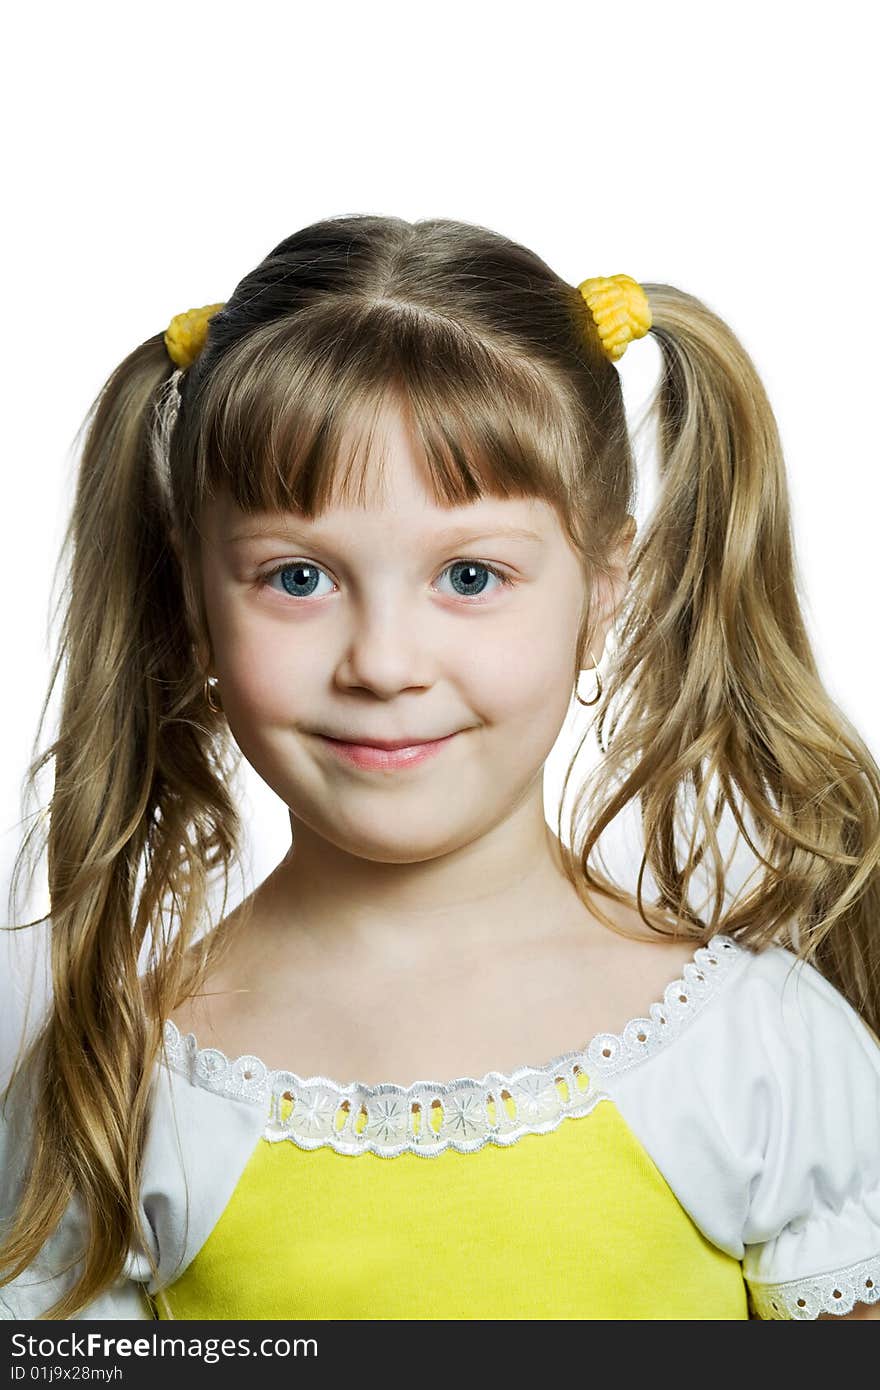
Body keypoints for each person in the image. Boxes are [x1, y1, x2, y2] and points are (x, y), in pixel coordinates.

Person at [2, 214, 879, 1323]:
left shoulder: (759, 1048)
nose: (382, 662)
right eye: (296, 577)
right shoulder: (109, 1089)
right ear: (191, 598)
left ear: (604, 588)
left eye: (468, 574)